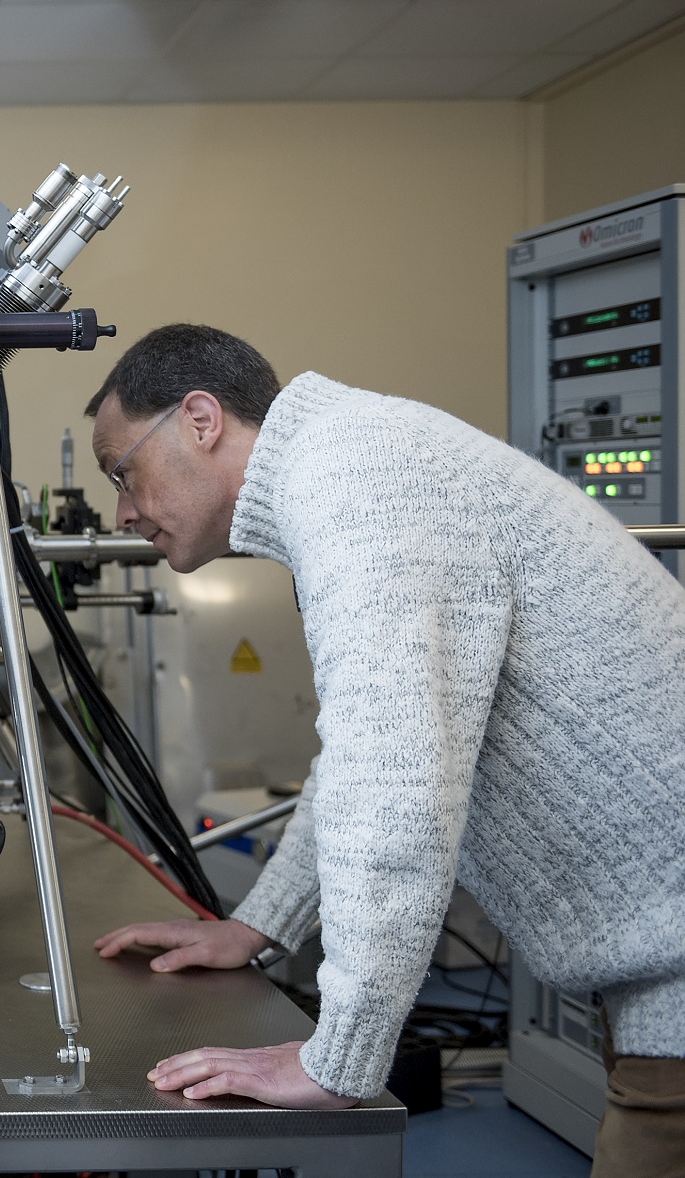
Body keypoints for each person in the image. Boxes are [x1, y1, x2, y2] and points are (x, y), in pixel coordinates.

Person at [84, 323, 685, 1175]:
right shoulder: (348, 460)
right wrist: (263, 923)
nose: (123, 512)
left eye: (123, 471)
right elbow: (359, 758)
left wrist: (340, 1057)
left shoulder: (360, 483)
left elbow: (393, 782)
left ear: (200, 418)